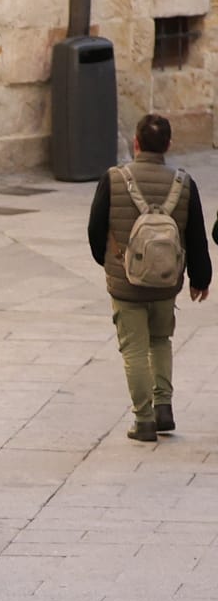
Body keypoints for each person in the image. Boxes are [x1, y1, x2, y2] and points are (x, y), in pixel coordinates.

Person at [87, 113, 212, 441]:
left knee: (133, 349)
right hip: (166, 281)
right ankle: (164, 406)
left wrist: (110, 264)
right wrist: (201, 277)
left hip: (125, 281)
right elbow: (196, 235)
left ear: (136, 143)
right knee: (160, 341)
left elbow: (95, 229)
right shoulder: (184, 184)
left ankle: (143, 420)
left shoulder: (113, 179)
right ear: (169, 145)